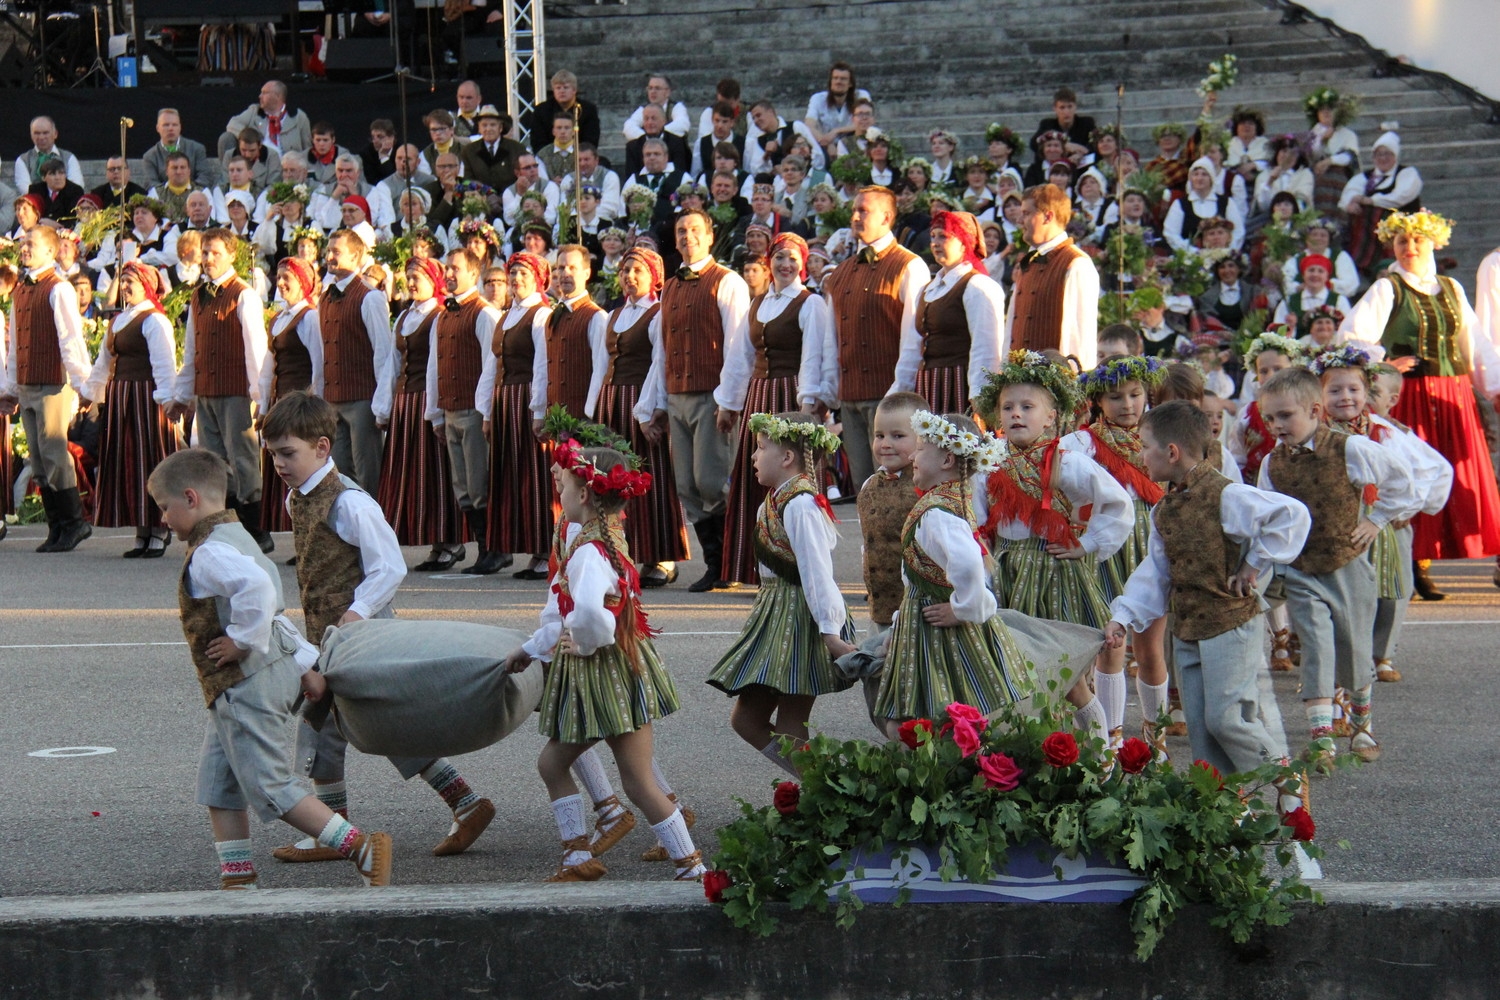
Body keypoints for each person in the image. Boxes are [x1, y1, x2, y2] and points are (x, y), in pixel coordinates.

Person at [260, 391, 495, 863]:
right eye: (274, 455)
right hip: (331, 635)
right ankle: (461, 802)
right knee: (351, 724)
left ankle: (337, 829)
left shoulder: (349, 503)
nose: (280, 464)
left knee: (358, 723)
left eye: (289, 454)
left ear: (323, 448)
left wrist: (357, 612)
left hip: (362, 633)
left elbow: (389, 566)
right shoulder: (297, 498)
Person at [146, 448, 393, 889]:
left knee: (270, 784)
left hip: (247, 685)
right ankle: (237, 876)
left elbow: (258, 590)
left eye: (165, 508)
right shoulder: (234, 534)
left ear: (190, 498)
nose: (163, 519)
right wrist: (305, 665)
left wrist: (241, 640)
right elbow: (276, 616)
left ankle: (362, 847)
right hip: (245, 685)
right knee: (218, 780)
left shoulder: (209, 553)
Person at [502, 436, 705, 882]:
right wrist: (534, 648)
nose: (559, 493)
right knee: (638, 781)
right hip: (624, 672)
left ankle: (578, 856)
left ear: (584, 495)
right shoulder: (608, 538)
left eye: (564, 487)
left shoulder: (588, 553)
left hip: (599, 675)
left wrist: (587, 642)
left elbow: (590, 612)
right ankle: (690, 865)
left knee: (553, 764)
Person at [1105, 401, 1311, 794]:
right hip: (1188, 628)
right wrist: (1124, 617)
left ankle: (1283, 776)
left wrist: (1254, 562)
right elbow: (1155, 572)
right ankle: (1222, 804)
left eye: (1145, 446)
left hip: (1230, 622)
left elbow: (1292, 515)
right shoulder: (1164, 509)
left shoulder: (1226, 495)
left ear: (1171, 452)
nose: (1140, 454)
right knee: (1201, 726)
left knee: (1226, 719)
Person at [1255, 366, 1416, 765]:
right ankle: (1321, 734)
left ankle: (1361, 723)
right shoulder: (1272, 465)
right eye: (1270, 418)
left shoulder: (1350, 448)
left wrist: (1375, 521)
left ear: (1314, 410)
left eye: (1285, 416)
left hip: (1347, 565)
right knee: (1316, 646)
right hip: (1302, 569)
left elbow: (1403, 482)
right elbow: (1265, 513)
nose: (1277, 426)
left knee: (1354, 648)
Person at [1339, 210, 1500, 595]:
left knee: (1455, 478)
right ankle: (1415, 565)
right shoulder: (1387, 288)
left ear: (1433, 244)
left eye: (1417, 241)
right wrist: (1384, 363)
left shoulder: (1451, 287)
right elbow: (1352, 336)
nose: (1410, 248)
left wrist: (1492, 387)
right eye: (1402, 242)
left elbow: (1474, 343)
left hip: (1452, 393)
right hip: (1408, 395)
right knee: (1410, 473)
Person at [972, 352, 1131, 742]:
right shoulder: (988, 464)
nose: (1016, 414)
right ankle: (1039, 744)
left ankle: (1096, 734)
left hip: (1055, 570)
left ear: (1051, 416)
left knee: (1063, 663)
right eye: (1007, 407)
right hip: (1009, 570)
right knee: (1021, 662)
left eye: (1028, 406)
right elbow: (975, 522)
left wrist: (1088, 543)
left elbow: (1116, 505)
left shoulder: (1066, 462)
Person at [871, 408, 1039, 733]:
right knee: (925, 718)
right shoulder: (943, 504)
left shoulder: (940, 514)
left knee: (927, 718)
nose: (914, 455)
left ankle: (946, 775)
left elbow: (970, 566)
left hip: (939, 628)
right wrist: (898, 626)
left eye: (921, 448)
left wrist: (962, 610)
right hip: (924, 621)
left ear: (948, 460)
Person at [707, 413, 855, 773]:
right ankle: (822, 786)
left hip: (803, 618)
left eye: (760, 449)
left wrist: (831, 633)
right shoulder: (774, 501)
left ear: (787, 458)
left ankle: (817, 798)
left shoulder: (802, 504)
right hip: (774, 614)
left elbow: (817, 574)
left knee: (792, 726)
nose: (754, 457)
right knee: (746, 720)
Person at [1064, 355, 1173, 752]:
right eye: (1115, 397)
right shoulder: (1081, 443)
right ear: (1097, 401)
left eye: (1135, 394)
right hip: (1108, 552)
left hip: (1152, 548)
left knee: (1150, 648)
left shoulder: (1158, 436)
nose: (1127, 404)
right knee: (1111, 645)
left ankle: (1154, 735)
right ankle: (1110, 740)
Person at [716, 233, 832, 586]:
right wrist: (729, 404)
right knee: (757, 479)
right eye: (779, 257)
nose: (785, 265)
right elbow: (740, 357)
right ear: (769, 261)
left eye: (793, 259)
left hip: (790, 395)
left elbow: (814, 355)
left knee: (792, 478)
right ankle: (755, 567)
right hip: (759, 396)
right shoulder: (757, 304)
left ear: (803, 264)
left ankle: (798, 566)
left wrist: (808, 401)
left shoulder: (809, 304)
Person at [584, 246, 691, 587]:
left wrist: (650, 411)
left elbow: (660, 364)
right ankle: (622, 552)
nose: (629, 277)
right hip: (613, 401)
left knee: (651, 479)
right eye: (625, 271)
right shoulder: (613, 316)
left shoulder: (658, 314)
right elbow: (601, 366)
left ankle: (662, 556)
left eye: (637, 271)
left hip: (640, 403)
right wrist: (592, 412)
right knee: (615, 479)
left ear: (653, 277)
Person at [659, 209, 751, 591]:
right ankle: (715, 562)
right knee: (686, 486)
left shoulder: (727, 281)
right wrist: (656, 403)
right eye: (681, 231)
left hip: (711, 394)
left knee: (712, 481)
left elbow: (737, 345)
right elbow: (661, 351)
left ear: (710, 237)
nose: (687, 236)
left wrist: (729, 400)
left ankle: (728, 562)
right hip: (677, 394)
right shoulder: (670, 286)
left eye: (695, 230)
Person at [168, 228, 272, 551]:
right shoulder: (198, 295)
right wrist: (182, 395)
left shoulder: (244, 294)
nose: (208, 259)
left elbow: (256, 350)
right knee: (212, 460)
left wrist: (261, 397)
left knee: (243, 457)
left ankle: (256, 529)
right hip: (206, 390)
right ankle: (222, 526)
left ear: (231, 255)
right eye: (204, 252)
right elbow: (191, 352)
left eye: (214, 252)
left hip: (235, 389)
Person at [819, 186, 926, 490]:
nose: (854, 216)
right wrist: (829, 392)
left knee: (897, 487)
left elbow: (914, 336)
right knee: (865, 489)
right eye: (855, 210)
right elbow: (831, 340)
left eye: (863, 210)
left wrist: (899, 392)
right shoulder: (840, 272)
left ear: (887, 216)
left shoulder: (909, 265)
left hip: (888, 396)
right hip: (850, 396)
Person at [0, 226, 94, 551]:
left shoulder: (59, 289)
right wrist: (10, 387)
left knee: (55, 452)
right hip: (27, 383)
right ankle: (56, 527)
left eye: (31, 244)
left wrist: (82, 383)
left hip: (52, 382)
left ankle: (74, 523)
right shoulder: (21, 290)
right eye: (23, 243)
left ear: (51, 252)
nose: (24, 248)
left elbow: (71, 338)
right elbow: (15, 346)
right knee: (38, 458)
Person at [80, 260, 181, 558]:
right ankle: (141, 528)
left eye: (130, 282)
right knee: (128, 463)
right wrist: (90, 395)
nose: (125, 287)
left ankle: (159, 530)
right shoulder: (118, 321)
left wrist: (166, 401)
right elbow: (103, 363)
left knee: (150, 459)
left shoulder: (154, 320)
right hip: (121, 398)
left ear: (146, 285)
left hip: (145, 399)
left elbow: (164, 366)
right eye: (123, 281)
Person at [1364, 362, 1453, 679]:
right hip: (1354, 519)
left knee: (1396, 585)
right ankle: (1350, 652)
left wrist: (1408, 509)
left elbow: (1436, 469)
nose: (1363, 397)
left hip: (1390, 520)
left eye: (1372, 392)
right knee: (1355, 587)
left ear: (1392, 399)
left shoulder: (1394, 433)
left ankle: (1382, 654)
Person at [426, 248, 507, 575]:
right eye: (446, 268)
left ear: (474, 273)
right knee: (462, 486)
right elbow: (435, 365)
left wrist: (485, 411)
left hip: (473, 411)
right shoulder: (442, 315)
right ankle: (483, 548)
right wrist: (434, 412)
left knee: (479, 483)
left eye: (455, 268)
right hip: (450, 410)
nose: (449, 273)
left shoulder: (484, 313)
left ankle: (493, 550)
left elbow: (493, 365)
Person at [477, 252, 554, 578]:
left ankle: (545, 550)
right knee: (513, 478)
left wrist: (538, 410)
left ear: (538, 278)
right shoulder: (506, 316)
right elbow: (491, 365)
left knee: (536, 478)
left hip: (526, 400)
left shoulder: (541, 314)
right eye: (513, 274)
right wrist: (486, 410)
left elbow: (542, 366)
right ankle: (528, 548)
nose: (516, 279)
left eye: (523, 273)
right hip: (505, 401)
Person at [853, 391, 924, 723]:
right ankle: (898, 752)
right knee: (875, 687)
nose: (885, 444)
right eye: (879, 435)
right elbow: (869, 544)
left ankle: (913, 757)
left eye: (898, 436)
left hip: (914, 613)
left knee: (910, 694)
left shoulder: (926, 489)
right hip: (880, 610)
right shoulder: (869, 486)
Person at [889, 210, 1003, 414]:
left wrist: (980, 397)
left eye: (944, 236)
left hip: (960, 388)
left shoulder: (977, 286)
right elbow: (912, 348)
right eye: (933, 236)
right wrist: (899, 392)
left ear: (964, 242)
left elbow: (985, 348)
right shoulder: (928, 289)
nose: (935, 243)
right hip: (928, 388)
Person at [318, 229, 394, 496]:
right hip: (332, 400)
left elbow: (383, 354)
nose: (329, 256)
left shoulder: (370, 297)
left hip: (362, 399)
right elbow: (322, 353)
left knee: (368, 472)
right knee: (338, 474)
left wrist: (382, 404)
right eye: (328, 251)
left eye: (336, 251)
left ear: (356, 255)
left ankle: (375, 530)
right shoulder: (325, 298)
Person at [254, 257, 323, 538]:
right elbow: (268, 366)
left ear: (303, 284)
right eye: (279, 278)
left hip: (300, 403)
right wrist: (262, 406)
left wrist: (316, 402)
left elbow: (319, 363)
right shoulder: (278, 319)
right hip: (280, 401)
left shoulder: (309, 317)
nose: (281, 284)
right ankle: (299, 534)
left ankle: (311, 534)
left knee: (302, 466)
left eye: (288, 279)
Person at [1003, 184, 1099, 368]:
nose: (1020, 220)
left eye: (1027, 213)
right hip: (1020, 383)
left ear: (1047, 216)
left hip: (1054, 385)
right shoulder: (1028, 262)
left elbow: (1080, 336)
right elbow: (1012, 329)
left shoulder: (1076, 263)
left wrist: (1076, 386)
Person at [1339, 130, 1422, 277]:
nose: (1383, 158)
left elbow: (1399, 197)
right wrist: (1350, 203)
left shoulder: (1407, 173)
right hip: (1370, 232)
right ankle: (1365, 263)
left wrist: (1370, 200)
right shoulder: (1366, 176)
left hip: (1401, 227)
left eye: (1387, 154)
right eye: (1379, 154)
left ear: (1395, 156)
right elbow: (1349, 192)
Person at [220, 80, 312, 158]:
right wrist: (251, 137)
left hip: (287, 165)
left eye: (264, 93)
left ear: (278, 96)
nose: (260, 96)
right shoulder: (254, 111)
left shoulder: (299, 117)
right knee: (226, 137)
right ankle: (228, 177)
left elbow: (307, 148)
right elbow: (232, 124)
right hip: (258, 164)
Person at [521, 69, 602, 154]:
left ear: (574, 90)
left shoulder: (588, 109)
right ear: (553, 90)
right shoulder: (541, 110)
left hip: (580, 156)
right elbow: (538, 140)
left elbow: (591, 140)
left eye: (566, 87)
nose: (562, 91)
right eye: (558, 88)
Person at [803, 61, 870, 159]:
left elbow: (866, 122)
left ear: (850, 83)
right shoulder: (818, 98)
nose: (838, 82)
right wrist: (827, 143)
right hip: (825, 144)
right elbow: (809, 124)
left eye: (843, 79)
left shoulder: (861, 96)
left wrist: (836, 131)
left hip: (853, 142)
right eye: (835, 78)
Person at [142, 108, 216, 189]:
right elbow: (150, 183)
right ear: (157, 128)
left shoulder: (197, 149)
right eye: (166, 125)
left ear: (180, 127)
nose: (171, 128)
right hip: (163, 200)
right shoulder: (149, 156)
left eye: (174, 125)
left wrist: (188, 191)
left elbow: (205, 177)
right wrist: (169, 194)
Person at [460, 106, 528, 193]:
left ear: (500, 128)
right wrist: (487, 194)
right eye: (484, 125)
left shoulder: (517, 148)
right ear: (479, 129)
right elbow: (467, 180)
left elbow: (524, 176)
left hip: (512, 199)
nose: (488, 129)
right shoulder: (469, 151)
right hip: (481, 200)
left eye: (493, 125)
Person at [14, 116, 83, 192]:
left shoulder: (69, 158)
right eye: (37, 133)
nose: (41, 137)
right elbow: (25, 190)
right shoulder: (22, 160)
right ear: (31, 135)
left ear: (55, 134)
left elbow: (77, 186)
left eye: (45, 133)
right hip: (35, 202)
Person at [1030, 87, 1096, 164]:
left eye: (1070, 107)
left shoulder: (1086, 123)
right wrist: (1064, 146)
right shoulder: (1047, 125)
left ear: (1075, 107)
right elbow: (1034, 144)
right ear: (1055, 109)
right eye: (1062, 107)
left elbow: (1095, 144)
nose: (1066, 112)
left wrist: (1081, 152)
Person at [622, 73, 692, 141]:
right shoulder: (643, 109)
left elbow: (683, 124)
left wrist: (659, 135)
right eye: (650, 88)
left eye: (657, 88)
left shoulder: (676, 107)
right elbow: (629, 126)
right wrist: (646, 139)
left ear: (667, 92)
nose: (653, 91)